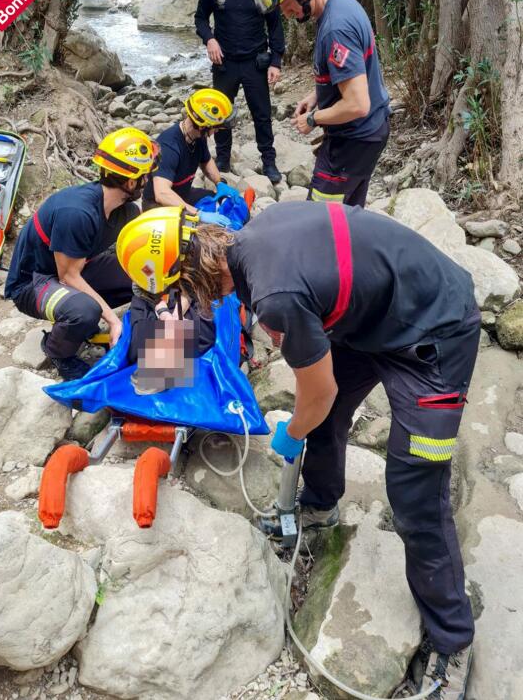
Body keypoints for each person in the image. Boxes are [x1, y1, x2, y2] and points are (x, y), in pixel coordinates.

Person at [116, 200, 480, 700]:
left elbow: (319, 392)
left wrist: (293, 431)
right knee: (325, 418)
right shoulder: (250, 243)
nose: (192, 305)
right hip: (372, 319)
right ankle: (320, 506)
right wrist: (311, 416)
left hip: (435, 334)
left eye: (181, 293)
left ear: (193, 271)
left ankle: (452, 641)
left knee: (416, 488)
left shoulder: (276, 293)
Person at [4, 127, 159, 381]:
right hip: (34, 281)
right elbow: (68, 277)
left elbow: (138, 253)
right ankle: (57, 351)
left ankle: (78, 324)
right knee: (86, 311)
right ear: (131, 182)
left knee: (144, 275)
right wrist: (112, 320)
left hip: (77, 267)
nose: (148, 180)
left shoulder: (126, 211)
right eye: (146, 175)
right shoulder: (77, 213)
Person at [252, 0, 391, 207]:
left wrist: (313, 120)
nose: (285, 13)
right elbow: (352, 74)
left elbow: (358, 104)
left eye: (284, 2)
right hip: (369, 132)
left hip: (353, 140)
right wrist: (317, 94)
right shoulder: (340, 5)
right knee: (349, 215)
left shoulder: (336, 27)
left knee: (319, 220)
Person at [195, 0, 285, 184]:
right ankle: (222, 159)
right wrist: (209, 39)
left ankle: (269, 161)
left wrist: (275, 61)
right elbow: (200, 18)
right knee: (221, 113)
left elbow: (275, 24)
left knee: (262, 114)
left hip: (255, 61)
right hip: (224, 63)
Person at [142, 88, 238, 220]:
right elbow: (162, 193)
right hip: (159, 206)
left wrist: (219, 183)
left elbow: (206, 162)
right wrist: (198, 214)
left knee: (224, 202)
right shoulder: (168, 146)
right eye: (215, 127)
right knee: (210, 231)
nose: (216, 131)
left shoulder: (198, 137)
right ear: (203, 126)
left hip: (183, 194)